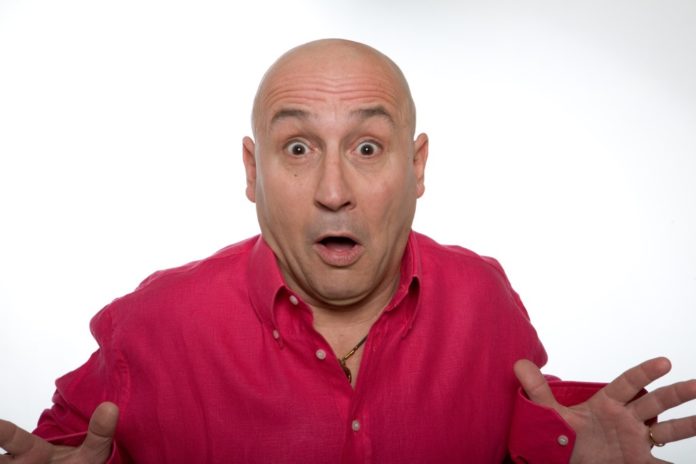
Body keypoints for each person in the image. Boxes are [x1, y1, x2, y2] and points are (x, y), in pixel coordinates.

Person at [1, 38, 695, 463]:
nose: (334, 191)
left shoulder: (485, 299)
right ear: (252, 171)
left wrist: (568, 456)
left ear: (416, 167)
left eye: (367, 147)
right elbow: (66, 447)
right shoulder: (152, 324)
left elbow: (516, 431)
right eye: (298, 148)